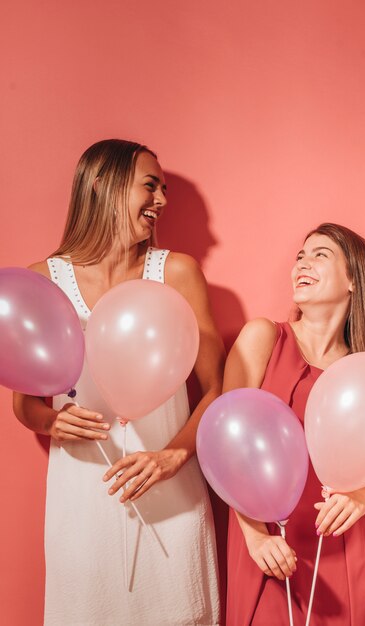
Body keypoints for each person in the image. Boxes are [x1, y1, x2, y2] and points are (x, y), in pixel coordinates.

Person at [13, 139, 224, 625]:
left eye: (165, 189)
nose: (163, 200)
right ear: (101, 184)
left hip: (172, 491)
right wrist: (51, 421)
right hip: (84, 497)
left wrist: (176, 456)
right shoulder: (45, 281)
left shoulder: (178, 273)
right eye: (151, 185)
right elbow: (23, 403)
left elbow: (215, 388)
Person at [224, 223, 365, 625]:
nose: (302, 263)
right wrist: (254, 536)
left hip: (346, 549)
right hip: (267, 545)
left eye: (321, 255)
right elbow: (224, 447)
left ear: (354, 279)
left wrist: (363, 497)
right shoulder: (263, 336)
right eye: (300, 255)